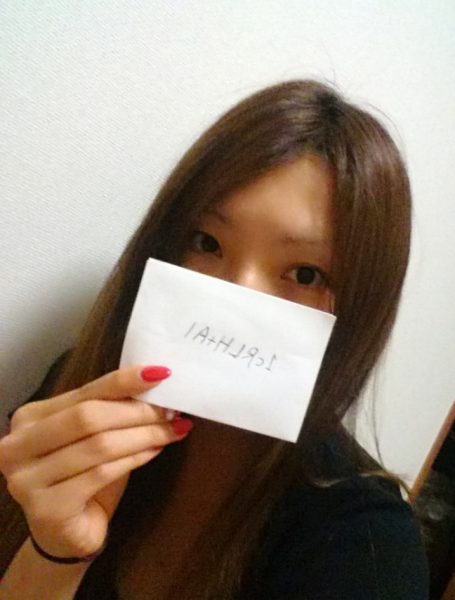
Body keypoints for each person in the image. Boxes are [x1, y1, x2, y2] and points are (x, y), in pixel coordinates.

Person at [0, 79, 429, 599]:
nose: (233, 297)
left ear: (359, 309)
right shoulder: (81, 395)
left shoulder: (367, 545)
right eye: (206, 242)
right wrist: (55, 551)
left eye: (305, 273)